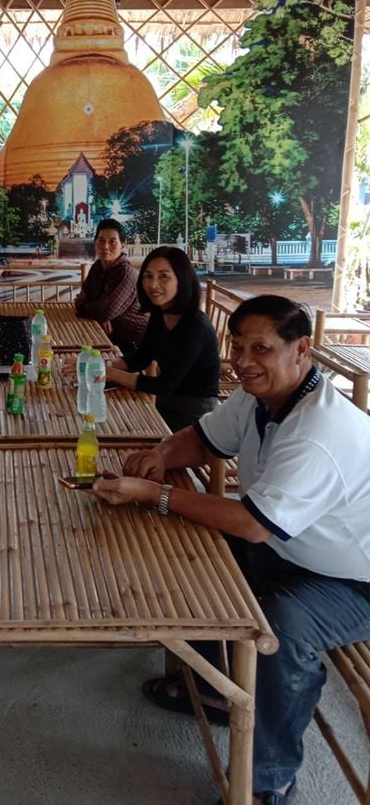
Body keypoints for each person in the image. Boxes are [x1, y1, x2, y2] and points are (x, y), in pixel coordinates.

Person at [93, 295, 370, 805]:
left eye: (260, 349)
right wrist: (160, 454)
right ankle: (217, 687)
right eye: (238, 347)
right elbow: (203, 440)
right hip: (291, 549)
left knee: (282, 630)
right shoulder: (259, 396)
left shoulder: (318, 431)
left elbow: (252, 524)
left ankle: (270, 778)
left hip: (352, 580)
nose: (243, 361)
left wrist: (157, 494)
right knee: (185, 554)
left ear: (301, 350)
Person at [105, 245, 219, 431]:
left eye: (163, 276)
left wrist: (109, 373)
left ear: (181, 279)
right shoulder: (160, 313)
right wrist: (99, 365)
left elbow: (164, 385)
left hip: (196, 414)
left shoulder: (195, 326)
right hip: (166, 402)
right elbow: (141, 358)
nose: (153, 285)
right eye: (148, 276)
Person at [73, 218, 148, 357]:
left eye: (112, 242)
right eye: (101, 240)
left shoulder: (126, 273)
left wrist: (97, 313)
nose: (105, 246)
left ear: (123, 245)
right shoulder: (97, 267)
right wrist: (100, 314)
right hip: (105, 334)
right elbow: (82, 297)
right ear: (95, 242)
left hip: (133, 343)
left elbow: (103, 311)